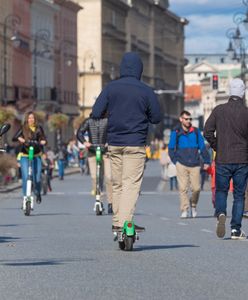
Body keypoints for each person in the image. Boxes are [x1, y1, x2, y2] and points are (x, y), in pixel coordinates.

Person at [92, 52, 162, 231]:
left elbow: (96, 113)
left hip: (114, 143)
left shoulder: (111, 88)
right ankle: (124, 222)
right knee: (131, 184)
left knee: (117, 184)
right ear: (140, 69)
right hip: (135, 143)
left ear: (122, 68)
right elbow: (156, 118)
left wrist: (112, 111)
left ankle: (118, 221)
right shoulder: (146, 90)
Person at [204, 78, 248, 240]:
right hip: (242, 159)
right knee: (239, 195)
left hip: (222, 158)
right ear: (242, 93)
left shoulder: (219, 110)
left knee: (221, 190)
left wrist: (217, 146)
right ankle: (235, 229)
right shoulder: (246, 113)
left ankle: (221, 212)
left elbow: (207, 131)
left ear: (230, 92)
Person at [168, 110, 210, 218]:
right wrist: (175, 161)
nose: (188, 121)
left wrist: (206, 161)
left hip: (195, 164)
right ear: (181, 119)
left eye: (190, 119)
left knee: (196, 188)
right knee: (183, 188)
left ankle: (193, 205)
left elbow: (202, 147)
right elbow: (171, 148)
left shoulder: (195, 132)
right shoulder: (176, 132)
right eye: (186, 119)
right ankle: (184, 209)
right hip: (181, 164)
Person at [77, 114, 113, 214]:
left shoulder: (108, 120)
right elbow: (79, 133)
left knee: (109, 177)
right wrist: (85, 142)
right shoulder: (88, 121)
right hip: (92, 151)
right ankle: (99, 201)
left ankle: (111, 202)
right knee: (95, 177)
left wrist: (109, 142)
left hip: (106, 151)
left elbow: (114, 132)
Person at [12, 111, 47, 205]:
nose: (31, 119)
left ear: (35, 119)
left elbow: (44, 139)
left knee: (37, 178)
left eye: (33, 118)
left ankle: (37, 192)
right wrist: (20, 138)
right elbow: (14, 137)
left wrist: (43, 142)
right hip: (25, 156)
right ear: (27, 119)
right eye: (29, 118)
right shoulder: (23, 128)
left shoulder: (39, 128)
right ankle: (25, 198)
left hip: (36, 156)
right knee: (25, 177)